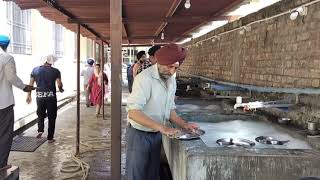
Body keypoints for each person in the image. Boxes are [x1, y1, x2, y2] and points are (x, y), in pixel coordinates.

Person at [126, 43, 199, 180]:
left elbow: (169, 109)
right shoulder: (144, 79)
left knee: (152, 174)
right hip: (139, 135)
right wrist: (163, 128)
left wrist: (184, 125)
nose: (172, 71)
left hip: (156, 135)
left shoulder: (171, 80)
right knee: (137, 175)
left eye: (175, 67)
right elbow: (133, 112)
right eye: (169, 66)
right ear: (159, 62)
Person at [0, 35, 34, 171]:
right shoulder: (6, 57)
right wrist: (25, 87)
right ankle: (1, 164)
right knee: (4, 134)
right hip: (3, 104)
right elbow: (11, 77)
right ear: (6, 45)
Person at [26, 55, 63, 143]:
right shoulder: (56, 71)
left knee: (40, 114)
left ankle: (40, 130)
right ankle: (50, 137)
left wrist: (28, 95)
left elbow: (30, 84)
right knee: (52, 116)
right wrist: (61, 89)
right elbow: (59, 84)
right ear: (52, 61)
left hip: (40, 96)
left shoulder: (35, 70)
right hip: (51, 97)